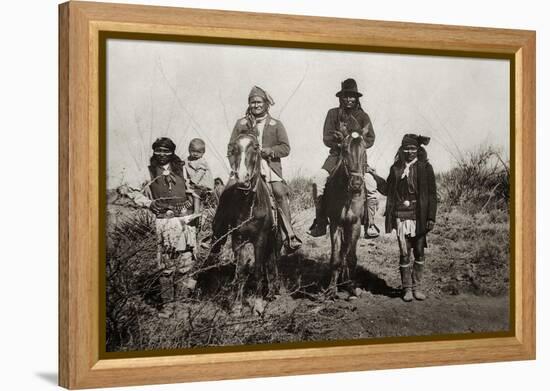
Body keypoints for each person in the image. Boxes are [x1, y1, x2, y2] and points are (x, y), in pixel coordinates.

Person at [122, 137, 198, 318]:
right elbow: (130, 190)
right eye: (159, 151)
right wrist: (148, 203)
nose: (162, 154)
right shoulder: (147, 171)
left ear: (172, 153)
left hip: (186, 221)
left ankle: (181, 306)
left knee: (185, 263)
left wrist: (194, 205)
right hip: (164, 221)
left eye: (166, 151)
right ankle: (167, 306)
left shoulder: (183, 169)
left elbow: (197, 188)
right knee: (166, 264)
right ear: (154, 152)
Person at [226, 85, 302, 251]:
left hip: (268, 167)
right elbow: (231, 148)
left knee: (279, 192)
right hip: (244, 167)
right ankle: (218, 234)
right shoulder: (241, 123)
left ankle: (288, 234)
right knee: (227, 190)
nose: (256, 105)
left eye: (259, 102)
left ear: (266, 104)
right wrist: (236, 166)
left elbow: (285, 148)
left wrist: (271, 151)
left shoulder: (276, 124)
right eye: (252, 102)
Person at [309, 78, 381, 238]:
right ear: (341, 98)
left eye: (352, 96)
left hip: (357, 159)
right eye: (346, 96)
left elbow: (371, 138)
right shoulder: (333, 113)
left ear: (357, 98)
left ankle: (370, 223)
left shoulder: (363, 116)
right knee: (318, 180)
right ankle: (320, 221)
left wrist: (355, 141)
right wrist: (338, 140)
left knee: (370, 185)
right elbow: (326, 137)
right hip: (336, 157)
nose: (349, 99)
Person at [384, 134, 437, 302]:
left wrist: (431, 217)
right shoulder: (396, 168)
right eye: (406, 149)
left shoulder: (425, 168)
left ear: (418, 150)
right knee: (404, 252)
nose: (410, 152)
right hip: (401, 214)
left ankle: (417, 287)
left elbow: (432, 195)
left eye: (413, 149)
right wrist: (373, 175)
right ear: (402, 150)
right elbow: (387, 189)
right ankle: (406, 289)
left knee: (419, 251)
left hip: (419, 215)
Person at [184, 138, 215, 213]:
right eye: (193, 151)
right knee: (188, 193)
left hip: (203, 182)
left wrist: (193, 181)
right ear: (189, 150)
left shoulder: (201, 161)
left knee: (196, 195)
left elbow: (200, 172)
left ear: (203, 152)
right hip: (195, 183)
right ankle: (190, 207)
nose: (195, 154)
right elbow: (185, 165)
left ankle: (196, 212)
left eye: (199, 152)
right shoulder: (188, 160)